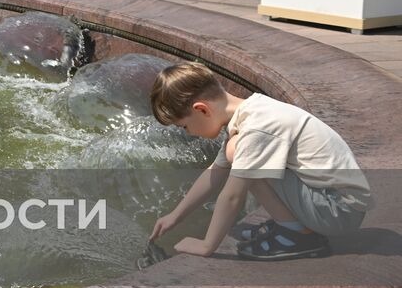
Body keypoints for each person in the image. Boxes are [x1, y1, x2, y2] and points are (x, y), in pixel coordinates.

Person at [149, 63, 370, 260]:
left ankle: (298, 236)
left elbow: (233, 196)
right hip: (331, 201)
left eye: (184, 126)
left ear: (202, 109)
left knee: (238, 154)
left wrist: (207, 245)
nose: (189, 134)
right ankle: (293, 224)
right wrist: (175, 216)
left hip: (338, 210)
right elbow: (214, 173)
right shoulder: (253, 110)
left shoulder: (256, 129)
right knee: (236, 151)